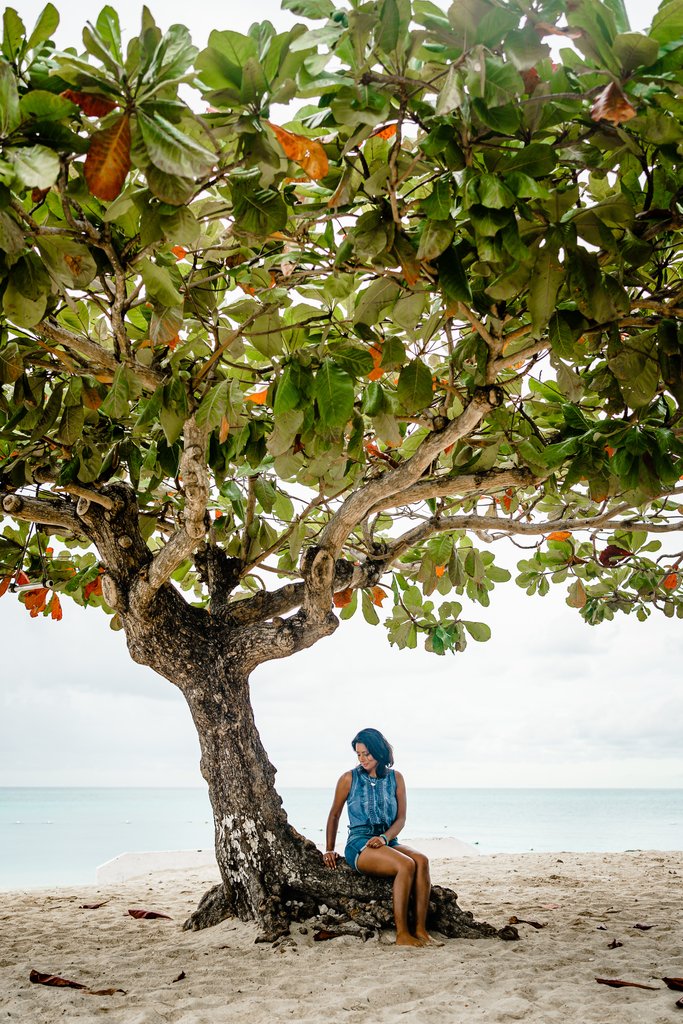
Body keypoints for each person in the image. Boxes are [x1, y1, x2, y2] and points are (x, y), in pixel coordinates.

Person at [323, 727, 440, 947]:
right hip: (359, 843)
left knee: (421, 861)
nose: (362, 759)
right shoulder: (349, 779)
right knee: (406, 865)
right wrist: (329, 848)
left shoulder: (397, 778)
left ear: (378, 751)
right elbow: (334, 814)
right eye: (358, 754)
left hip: (388, 840)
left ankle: (421, 930)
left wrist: (385, 839)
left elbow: (401, 819)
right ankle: (402, 934)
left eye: (366, 753)